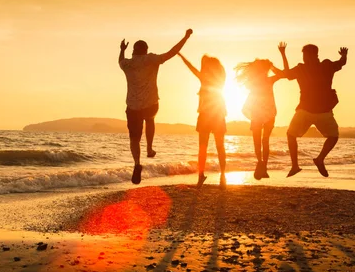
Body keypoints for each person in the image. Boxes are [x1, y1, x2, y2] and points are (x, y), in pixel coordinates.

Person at [118, 29, 193, 184]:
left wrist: (121, 50)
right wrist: (185, 37)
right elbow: (172, 52)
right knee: (150, 118)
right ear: (146, 51)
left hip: (132, 106)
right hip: (150, 104)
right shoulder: (151, 59)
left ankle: (137, 163)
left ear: (133, 51)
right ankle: (150, 148)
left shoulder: (127, 64)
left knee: (134, 138)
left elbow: (120, 61)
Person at [280, 43, 349, 178]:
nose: (304, 58)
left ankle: (297, 164)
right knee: (333, 136)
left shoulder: (302, 68)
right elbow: (342, 62)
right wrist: (344, 55)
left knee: (291, 135)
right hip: (322, 111)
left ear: (311, 55)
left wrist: (283, 53)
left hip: (306, 110)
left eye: (305, 55)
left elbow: (286, 74)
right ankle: (318, 159)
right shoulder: (326, 65)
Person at [235, 42, 288, 180]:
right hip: (261, 112)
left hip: (263, 113)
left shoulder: (258, 81)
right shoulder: (264, 80)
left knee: (260, 141)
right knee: (263, 141)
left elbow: (285, 74)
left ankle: (261, 165)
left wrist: (278, 58)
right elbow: (284, 73)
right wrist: (274, 64)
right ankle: (261, 165)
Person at [177, 52, 227, 189]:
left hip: (206, 116)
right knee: (220, 147)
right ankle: (222, 176)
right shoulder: (221, 80)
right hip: (218, 115)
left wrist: (182, 57)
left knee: (203, 148)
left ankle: (201, 176)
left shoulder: (204, 78)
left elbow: (191, 68)